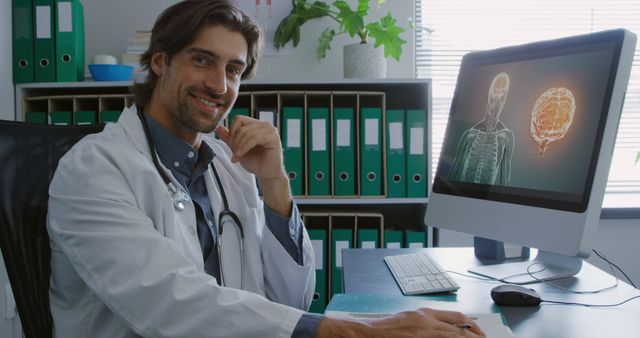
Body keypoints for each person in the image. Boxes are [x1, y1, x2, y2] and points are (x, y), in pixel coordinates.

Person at [46, 1, 485, 337]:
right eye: (202, 60)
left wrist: (274, 182)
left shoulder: (228, 166)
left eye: (233, 69)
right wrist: (364, 331)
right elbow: (169, 304)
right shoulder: (93, 170)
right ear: (160, 60)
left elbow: (289, 297)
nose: (219, 85)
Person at [448, 72, 515, 186]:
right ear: (489, 94)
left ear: (505, 97)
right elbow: (452, 176)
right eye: (495, 92)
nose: (498, 97)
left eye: (502, 93)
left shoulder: (506, 137)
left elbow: (505, 182)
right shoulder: (470, 134)